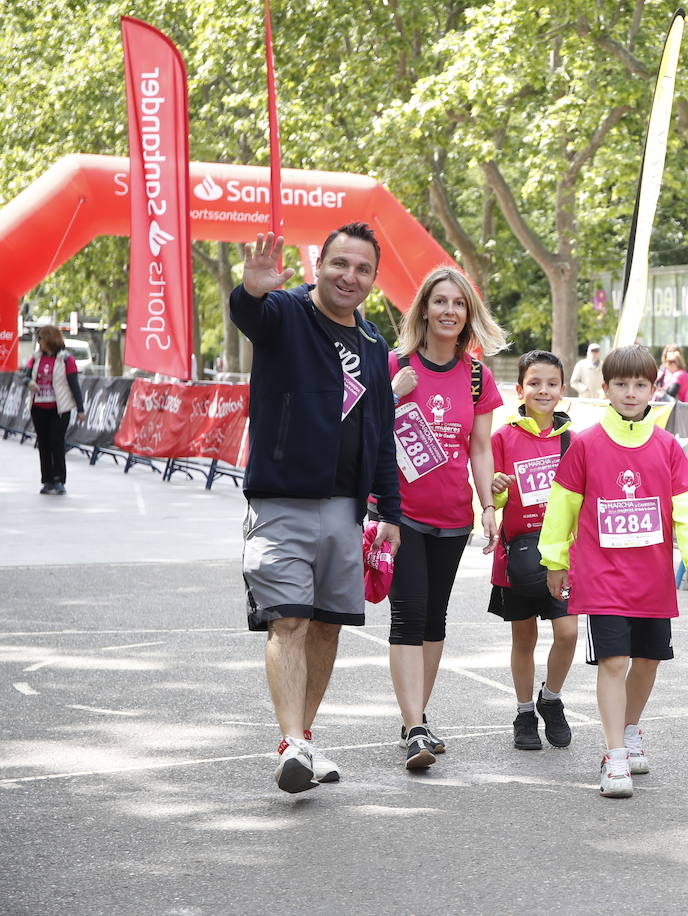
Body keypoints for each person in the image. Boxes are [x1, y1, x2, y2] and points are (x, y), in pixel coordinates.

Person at [231, 226, 402, 794]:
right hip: (281, 502)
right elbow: (251, 315)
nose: (349, 277)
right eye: (339, 264)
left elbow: (381, 435)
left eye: (362, 269)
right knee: (289, 619)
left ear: (373, 279)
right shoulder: (284, 312)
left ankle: (303, 739)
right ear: (320, 264)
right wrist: (250, 292)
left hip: (346, 510)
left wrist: (389, 513)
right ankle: (291, 743)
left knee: (328, 626)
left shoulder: (375, 346)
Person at [539, 345, 688, 798]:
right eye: (621, 384)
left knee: (648, 660)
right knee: (614, 661)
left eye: (640, 384)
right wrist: (555, 560)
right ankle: (613, 755)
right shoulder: (585, 444)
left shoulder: (668, 446)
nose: (631, 393)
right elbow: (562, 506)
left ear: (653, 388)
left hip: (653, 578)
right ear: (605, 388)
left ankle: (631, 730)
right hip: (603, 577)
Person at [386, 266, 506, 769]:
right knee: (408, 615)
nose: (449, 311)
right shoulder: (395, 364)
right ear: (424, 309)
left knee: (434, 619)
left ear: (468, 314)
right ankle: (415, 727)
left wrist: (487, 506)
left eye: (458, 303)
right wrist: (392, 393)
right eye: (440, 302)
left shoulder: (476, 374)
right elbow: (361, 431)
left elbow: (480, 448)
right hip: (401, 514)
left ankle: (418, 716)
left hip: (452, 517)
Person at [488, 350, 578, 751]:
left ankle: (551, 699)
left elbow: (582, 500)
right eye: (535, 383)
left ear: (562, 390)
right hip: (517, 559)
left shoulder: (573, 441)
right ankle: (524, 713)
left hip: (561, 558)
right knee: (523, 638)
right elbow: (492, 501)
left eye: (552, 383)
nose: (544, 390)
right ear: (519, 389)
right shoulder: (502, 438)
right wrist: (497, 490)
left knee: (568, 632)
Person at [21, 325, 85, 495]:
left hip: (59, 408)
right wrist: (29, 383)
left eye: (41, 338)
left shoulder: (66, 360)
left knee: (56, 442)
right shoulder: (35, 358)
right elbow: (25, 377)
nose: (39, 342)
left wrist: (80, 409)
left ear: (49, 339)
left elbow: (74, 385)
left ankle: (59, 479)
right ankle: (47, 479)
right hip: (38, 407)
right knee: (43, 443)